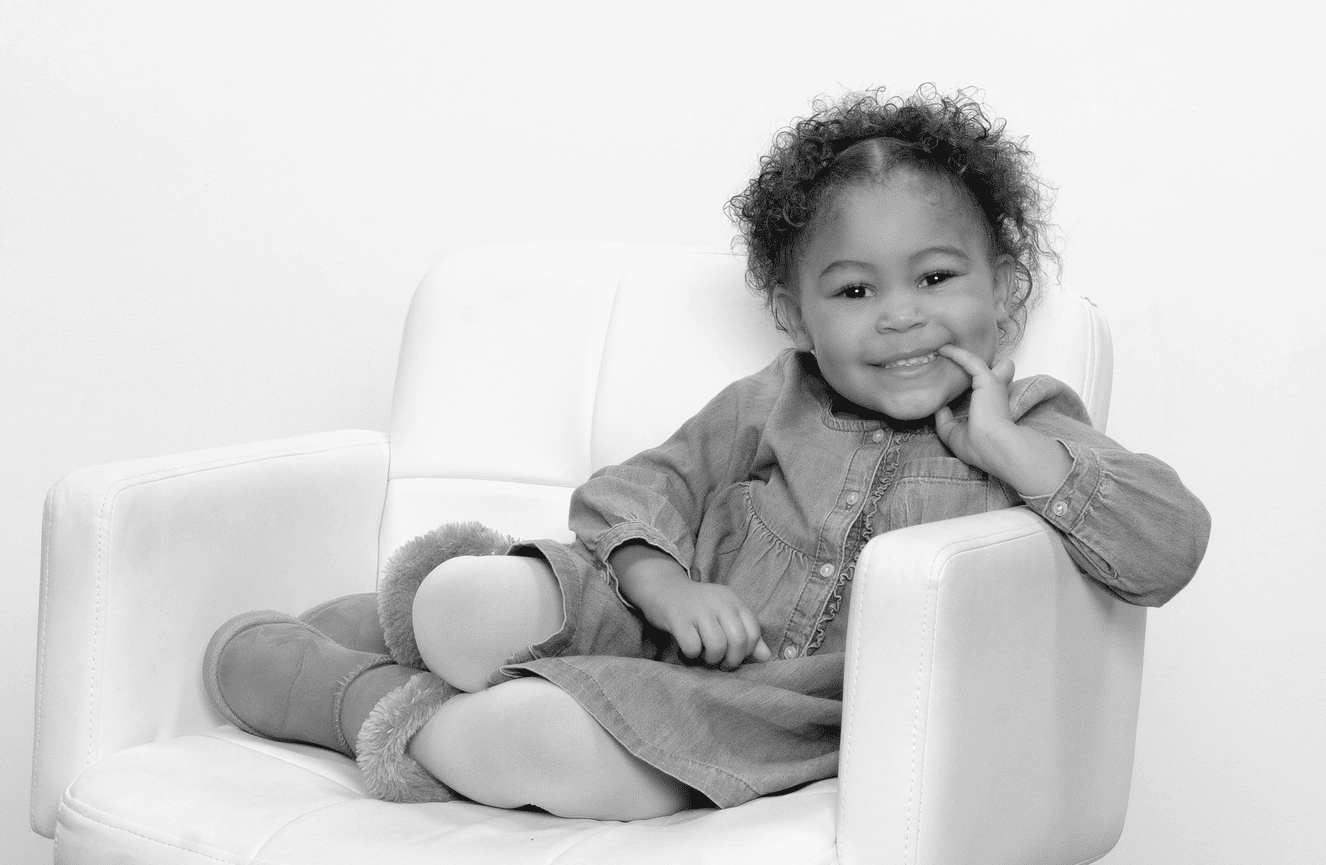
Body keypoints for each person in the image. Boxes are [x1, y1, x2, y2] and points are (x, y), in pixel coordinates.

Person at [204, 87, 1211, 821]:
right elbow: (635, 491)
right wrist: (661, 583)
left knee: (531, 745)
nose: (900, 316)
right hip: (645, 619)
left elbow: (1167, 545)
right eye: (855, 291)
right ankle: (425, 629)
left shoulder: (1032, 419)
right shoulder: (774, 398)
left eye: (937, 276)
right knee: (465, 603)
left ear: (1005, 294)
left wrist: (1009, 448)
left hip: (769, 711)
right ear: (797, 313)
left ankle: (356, 696)